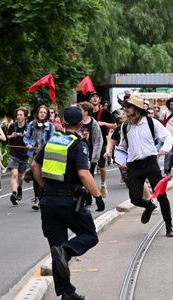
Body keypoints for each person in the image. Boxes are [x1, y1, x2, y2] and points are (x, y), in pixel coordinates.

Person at [31, 107, 103, 300]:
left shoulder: (51, 142)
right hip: (69, 202)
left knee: (56, 248)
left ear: (62, 122)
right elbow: (83, 173)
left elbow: (34, 166)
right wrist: (97, 196)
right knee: (89, 235)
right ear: (81, 124)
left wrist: (44, 186)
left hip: (48, 201)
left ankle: (67, 293)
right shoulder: (79, 145)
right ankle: (66, 251)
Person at [117, 95, 173, 237]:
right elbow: (122, 146)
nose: (126, 109)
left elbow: (168, 137)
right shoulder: (125, 126)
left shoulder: (151, 123)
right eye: (125, 107)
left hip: (150, 162)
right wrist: (120, 160)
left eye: (129, 107)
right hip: (134, 165)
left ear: (136, 109)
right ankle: (149, 205)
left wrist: (164, 149)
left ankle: (169, 226)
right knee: (135, 198)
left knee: (161, 195)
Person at [24, 105, 55, 210]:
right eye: (40, 112)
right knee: (35, 176)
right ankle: (37, 198)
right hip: (33, 154)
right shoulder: (31, 124)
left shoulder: (50, 126)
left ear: (47, 115)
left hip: (45, 154)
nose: (42, 114)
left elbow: (52, 139)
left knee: (43, 175)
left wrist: (47, 147)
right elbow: (26, 137)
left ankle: (43, 197)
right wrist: (28, 144)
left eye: (44, 113)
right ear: (37, 113)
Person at [88, 91, 117, 198]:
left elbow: (114, 125)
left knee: (101, 166)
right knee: (88, 166)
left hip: (101, 143)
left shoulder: (104, 112)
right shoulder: (87, 112)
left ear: (99, 100)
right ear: (90, 100)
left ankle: (103, 184)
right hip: (87, 143)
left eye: (97, 97)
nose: (95, 99)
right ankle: (89, 188)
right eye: (93, 97)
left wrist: (103, 123)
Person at [78, 102, 103, 206]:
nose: (79, 111)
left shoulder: (93, 123)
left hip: (90, 154)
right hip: (80, 153)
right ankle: (80, 197)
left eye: (81, 109)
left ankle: (89, 198)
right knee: (79, 177)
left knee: (89, 177)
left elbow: (98, 140)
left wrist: (95, 158)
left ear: (86, 112)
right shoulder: (77, 122)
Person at [6, 107, 29, 205]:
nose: (19, 117)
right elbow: (6, 137)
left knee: (20, 176)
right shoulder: (12, 126)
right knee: (14, 174)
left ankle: (19, 188)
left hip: (24, 155)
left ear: (25, 117)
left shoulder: (29, 127)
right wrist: (11, 136)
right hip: (13, 154)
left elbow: (33, 138)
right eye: (18, 115)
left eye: (21, 115)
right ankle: (14, 194)